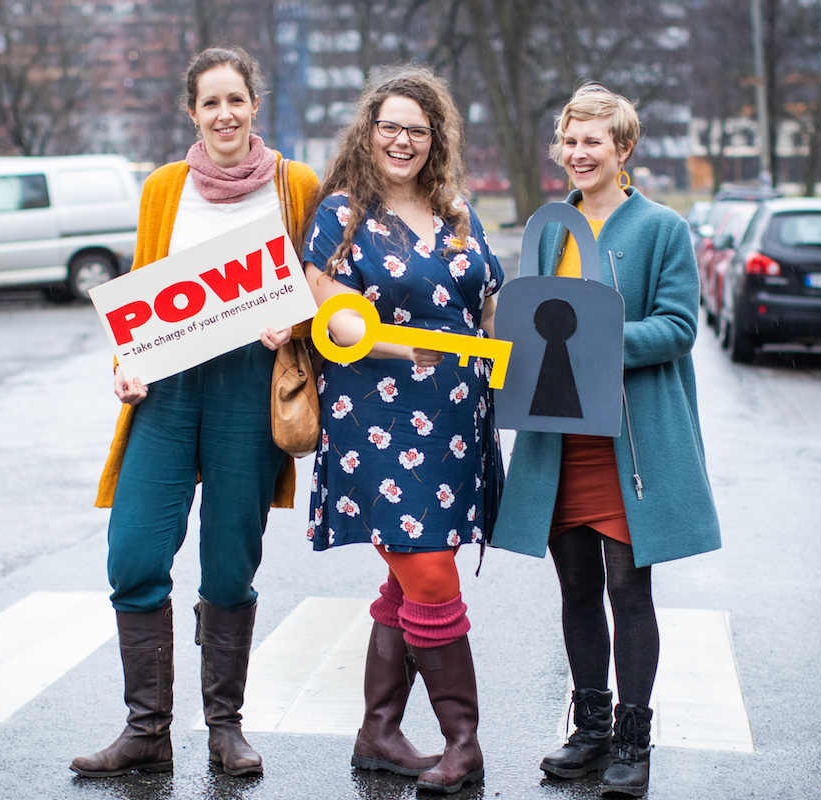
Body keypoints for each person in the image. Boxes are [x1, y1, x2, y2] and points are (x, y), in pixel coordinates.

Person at [71, 46, 320, 779]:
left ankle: (225, 728)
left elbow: (328, 281)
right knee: (136, 550)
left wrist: (299, 324)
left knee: (229, 560)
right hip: (171, 392)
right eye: (210, 103)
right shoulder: (163, 189)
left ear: (254, 105)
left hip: (250, 389)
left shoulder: (295, 185)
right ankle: (145, 729)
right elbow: (145, 295)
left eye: (235, 100)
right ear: (192, 113)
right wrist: (126, 368)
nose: (224, 114)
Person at [491, 84, 721, 798]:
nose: (581, 152)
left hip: (626, 443)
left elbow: (678, 328)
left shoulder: (659, 229)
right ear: (559, 148)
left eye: (596, 141)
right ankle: (588, 730)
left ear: (624, 149)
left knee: (628, 586)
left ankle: (632, 738)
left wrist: (596, 342)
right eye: (571, 140)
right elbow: (530, 321)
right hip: (559, 438)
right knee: (577, 587)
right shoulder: (550, 229)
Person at [303, 67, 504, 795]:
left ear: (435, 139)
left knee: (407, 572)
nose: (401, 139)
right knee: (430, 573)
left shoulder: (456, 210)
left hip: (457, 418)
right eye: (389, 125)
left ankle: (379, 732)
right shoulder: (341, 215)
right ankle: (464, 742)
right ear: (369, 130)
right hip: (378, 416)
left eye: (416, 129)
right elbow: (332, 315)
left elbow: (490, 307)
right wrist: (405, 344)